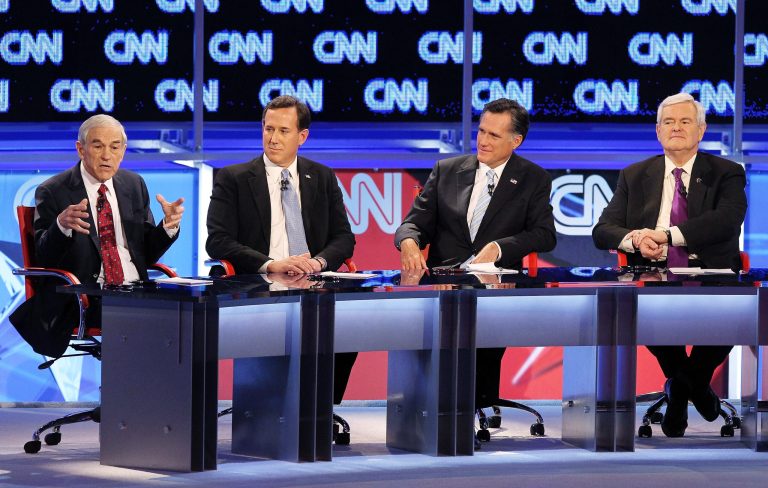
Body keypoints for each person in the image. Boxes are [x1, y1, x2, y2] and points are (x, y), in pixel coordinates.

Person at [592, 92, 747, 437]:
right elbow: (603, 230)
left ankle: (683, 385)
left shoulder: (726, 172)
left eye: (685, 121)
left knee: (733, 314)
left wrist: (668, 235)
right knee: (645, 311)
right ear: (658, 131)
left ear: (701, 130)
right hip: (653, 275)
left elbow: (727, 220)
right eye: (668, 122)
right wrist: (635, 239)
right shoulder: (635, 175)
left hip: (713, 274)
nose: (676, 128)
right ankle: (694, 387)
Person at [394, 97, 556, 410]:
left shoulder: (532, 179)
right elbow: (412, 224)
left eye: (494, 135)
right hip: (445, 285)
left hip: (496, 287)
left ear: (515, 141)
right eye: (481, 131)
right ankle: (444, 407)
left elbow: (544, 235)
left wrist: (500, 247)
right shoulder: (447, 170)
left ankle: (475, 404)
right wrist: (410, 242)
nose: (482, 140)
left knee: (484, 339)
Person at [206, 95, 357, 411]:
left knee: (349, 326)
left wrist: (316, 262)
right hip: (258, 286)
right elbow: (217, 241)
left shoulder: (322, 177)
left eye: (283, 131)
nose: (273, 138)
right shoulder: (233, 178)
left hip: (312, 283)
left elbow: (344, 238)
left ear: (302, 136)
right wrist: (272, 264)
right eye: (268, 129)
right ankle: (270, 408)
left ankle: (318, 408)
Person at [10, 114, 185, 358]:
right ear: (80, 149)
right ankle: (130, 391)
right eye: (98, 146)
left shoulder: (133, 184)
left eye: (115, 147)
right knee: (138, 315)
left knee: (190, 310)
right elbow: (43, 255)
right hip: (87, 295)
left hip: (135, 288)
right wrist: (61, 226)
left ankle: (160, 392)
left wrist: (168, 226)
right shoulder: (53, 190)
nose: (106, 155)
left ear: (123, 151)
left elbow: (145, 253)